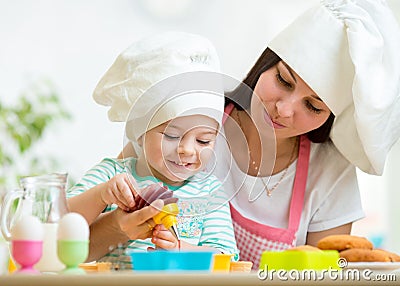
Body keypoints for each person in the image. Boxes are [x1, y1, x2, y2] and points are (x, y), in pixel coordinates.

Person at [85, 0, 400, 269]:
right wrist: (119, 226)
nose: (284, 110)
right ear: (265, 63)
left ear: (331, 116)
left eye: (313, 106)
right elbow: (81, 246)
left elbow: (320, 276)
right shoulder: (190, 118)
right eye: (283, 80)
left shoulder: (330, 172)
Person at [67, 31, 239, 267]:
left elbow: (226, 258)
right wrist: (100, 195)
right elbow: (61, 224)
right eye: (171, 135)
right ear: (140, 131)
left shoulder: (210, 192)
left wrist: (180, 248)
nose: (187, 150)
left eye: (203, 141)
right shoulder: (112, 176)